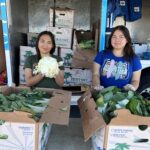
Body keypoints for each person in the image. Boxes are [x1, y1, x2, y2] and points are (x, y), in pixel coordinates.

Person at [92, 25, 142, 91]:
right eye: (114, 37)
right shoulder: (102, 54)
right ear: (110, 39)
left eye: (121, 37)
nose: (117, 40)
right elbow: (95, 74)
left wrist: (131, 88)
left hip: (123, 97)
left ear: (127, 40)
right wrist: (97, 86)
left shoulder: (134, 59)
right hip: (102, 95)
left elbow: (135, 80)